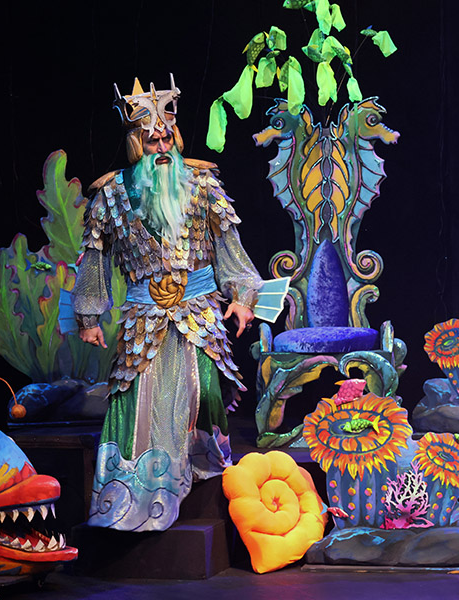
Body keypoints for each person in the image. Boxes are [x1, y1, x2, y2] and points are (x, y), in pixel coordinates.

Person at [73, 75, 263, 531]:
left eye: (165, 138)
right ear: (136, 144)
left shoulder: (202, 185)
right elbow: (94, 258)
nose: (160, 148)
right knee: (139, 399)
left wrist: (241, 297)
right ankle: (132, 499)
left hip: (198, 310)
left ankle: (200, 478)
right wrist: (89, 316)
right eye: (150, 140)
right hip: (144, 316)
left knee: (203, 391)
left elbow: (230, 250)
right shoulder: (111, 196)